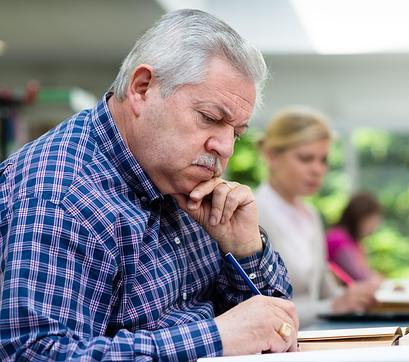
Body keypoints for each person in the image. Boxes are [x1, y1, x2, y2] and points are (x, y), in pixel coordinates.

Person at [0, 9, 298, 360]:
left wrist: (246, 249)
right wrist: (215, 337)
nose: (226, 147)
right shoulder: (63, 194)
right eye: (210, 118)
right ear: (142, 89)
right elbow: (34, 353)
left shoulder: (182, 179)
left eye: (236, 131)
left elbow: (275, 331)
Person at [255, 107, 380, 326]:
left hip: (315, 339)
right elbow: (258, 308)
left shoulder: (311, 215)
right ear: (271, 155)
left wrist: (356, 296)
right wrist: (331, 307)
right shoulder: (253, 214)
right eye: (306, 159)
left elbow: (325, 289)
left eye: (323, 160)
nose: (317, 169)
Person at [326, 191, 383, 282]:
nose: (374, 226)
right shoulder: (337, 238)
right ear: (360, 217)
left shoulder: (352, 240)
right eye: (371, 220)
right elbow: (359, 275)